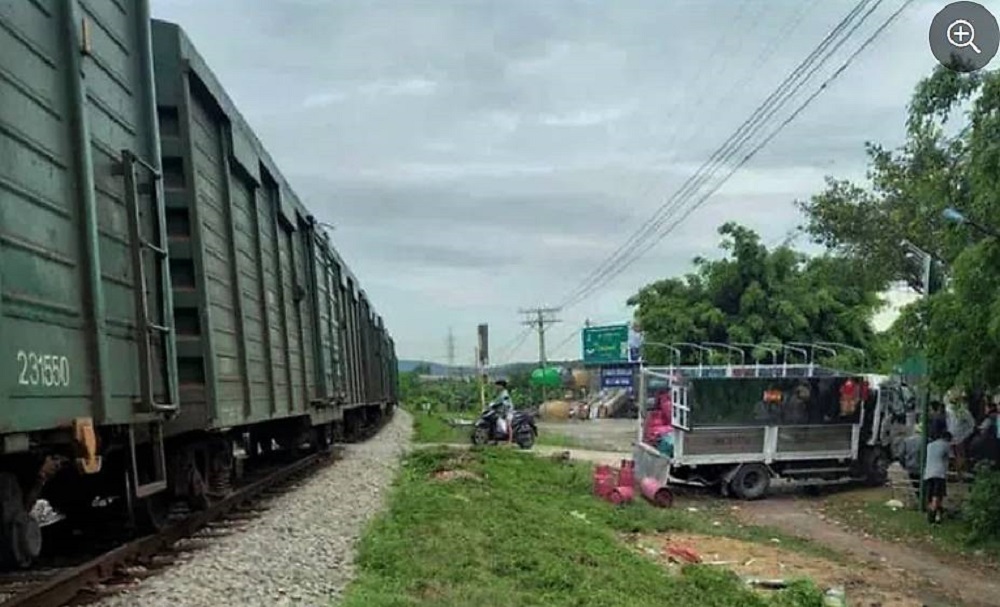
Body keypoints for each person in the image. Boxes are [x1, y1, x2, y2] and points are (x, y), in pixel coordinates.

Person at [924, 430, 952, 525]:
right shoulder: (946, 445)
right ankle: (932, 517)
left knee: (930, 496)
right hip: (939, 474)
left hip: (928, 473)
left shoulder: (930, 445)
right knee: (937, 496)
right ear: (948, 439)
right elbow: (952, 458)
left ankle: (936, 515)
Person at [489, 379, 514, 444]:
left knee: (508, 424)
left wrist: (496, 404)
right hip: (500, 411)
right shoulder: (499, 393)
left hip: (508, 411)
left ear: (501, 386)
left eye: (497, 385)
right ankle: (496, 439)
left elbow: (504, 402)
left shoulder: (505, 393)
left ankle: (510, 441)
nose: (496, 387)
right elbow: (495, 401)